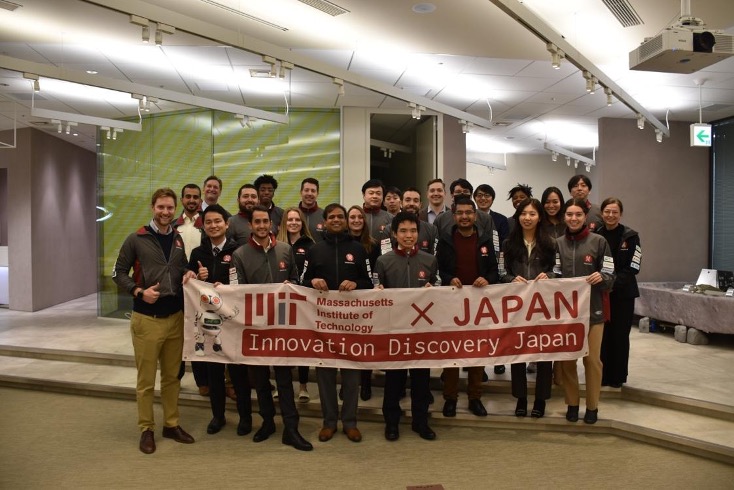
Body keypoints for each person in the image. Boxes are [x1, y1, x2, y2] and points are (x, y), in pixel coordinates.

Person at [112, 188, 195, 454]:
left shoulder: (178, 239)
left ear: (175, 209)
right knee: (146, 380)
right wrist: (138, 291)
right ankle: (146, 428)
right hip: (147, 319)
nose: (165, 212)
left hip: (175, 318)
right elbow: (118, 272)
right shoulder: (136, 238)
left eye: (170, 208)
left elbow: (178, 269)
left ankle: (171, 424)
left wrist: (190, 272)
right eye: (161, 207)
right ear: (152, 208)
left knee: (172, 377)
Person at [230, 205, 313, 451]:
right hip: (256, 327)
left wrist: (292, 284)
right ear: (251, 225)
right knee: (261, 379)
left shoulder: (286, 250)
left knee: (285, 378)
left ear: (272, 224)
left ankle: (291, 428)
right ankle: (267, 423)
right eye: (257, 222)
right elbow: (237, 291)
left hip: (282, 325)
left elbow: (297, 280)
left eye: (266, 221)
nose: (262, 226)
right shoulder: (240, 255)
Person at [301, 203, 373, 443]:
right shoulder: (314, 250)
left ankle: (350, 422)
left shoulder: (359, 249)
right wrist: (313, 281)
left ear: (345, 220)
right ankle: (329, 422)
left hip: (352, 323)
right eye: (331, 217)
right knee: (325, 375)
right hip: (322, 324)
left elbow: (369, 283)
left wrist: (356, 284)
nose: (336, 220)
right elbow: (302, 281)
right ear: (324, 221)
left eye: (340, 217)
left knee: (352, 376)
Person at [186, 204, 256, 438]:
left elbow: (245, 284)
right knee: (214, 372)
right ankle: (218, 416)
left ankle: (245, 417)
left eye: (218, 221)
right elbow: (188, 281)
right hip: (208, 322)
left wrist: (223, 285)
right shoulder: (197, 253)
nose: (213, 226)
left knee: (238, 373)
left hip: (234, 321)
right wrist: (197, 277)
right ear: (203, 227)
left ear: (227, 224)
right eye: (208, 222)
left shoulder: (240, 251)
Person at [375, 212, 437, 441]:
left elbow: (440, 294)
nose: (408, 235)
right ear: (394, 234)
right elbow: (376, 295)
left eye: (413, 231)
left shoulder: (429, 260)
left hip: (421, 333)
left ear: (418, 234)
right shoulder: (384, 261)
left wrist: (435, 289)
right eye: (403, 231)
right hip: (395, 331)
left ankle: (420, 422)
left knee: (421, 380)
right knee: (394, 379)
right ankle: (391, 423)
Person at [554, 198, 615, 425]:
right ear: (564, 217)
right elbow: (555, 273)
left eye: (578, 214)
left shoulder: (599, 242)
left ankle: (592, 406)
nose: (573, 218)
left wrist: (603, 277)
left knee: (592, 360)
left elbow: (611, 274)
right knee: (568, 360)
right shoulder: (557, 244)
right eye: (569, 214)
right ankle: (572, 404)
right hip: (566, 313)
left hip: (594, 311)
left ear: (585, 217)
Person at [436, 196, 499, 418]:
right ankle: (450, 398)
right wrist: (449, 278)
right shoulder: (445, 240)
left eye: (468, 213)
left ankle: (475, 398)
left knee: (477, 352)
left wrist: (486, 278)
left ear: (475, 215)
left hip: (479, 305)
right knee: (451, 352)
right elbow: (439, 270)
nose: (464, 217)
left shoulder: (485, 239)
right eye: (460, 213)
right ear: (454, 216)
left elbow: (494, 270)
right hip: (452, 303)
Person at [499, 198, 556, 418]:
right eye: (524, 214)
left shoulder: (551, 243)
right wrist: (510, 279)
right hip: (516, 307)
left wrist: (549, 276)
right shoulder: (508, 244)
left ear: (539, 216)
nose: (527, 218)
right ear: (518, 216)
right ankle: (521, 398)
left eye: (532, 214)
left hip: (543, 308)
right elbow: (500, 271)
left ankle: (540, 400)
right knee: (518, 352)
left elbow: (558, 272)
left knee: (543, 353)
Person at [597, 197, 641, 388]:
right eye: (607, 211)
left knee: (620, 336)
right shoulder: (596, 235)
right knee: (602, 336)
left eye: (615, 212)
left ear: (620, 214)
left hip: (623, 293)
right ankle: (602, 376)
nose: (610, 215)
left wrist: (613, 283)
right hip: (600, 294)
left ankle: (618, 377)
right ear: (602, 213)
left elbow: (634, 266)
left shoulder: (631, 236)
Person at [173, 183, 209, 396]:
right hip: (176, 288)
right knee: (176, 336)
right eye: (188, 197)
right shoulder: (174, 225)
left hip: (199, 288)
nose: (192, 200)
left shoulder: (207, 224)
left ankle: (202, 380)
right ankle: (174, 378)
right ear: (182, 199)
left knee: (199, 334)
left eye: (196, 197)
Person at [277, 207, 316, 403]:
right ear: (284, 222)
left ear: (302, 223)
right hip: (280, 301)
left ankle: (302, 385)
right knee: (281, 342)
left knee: (302, 342)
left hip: (303, 299)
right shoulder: (276, 243)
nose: (293, 222)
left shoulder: (310, 244)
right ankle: (281, 384)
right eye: (290, 219)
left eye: (297, 220)